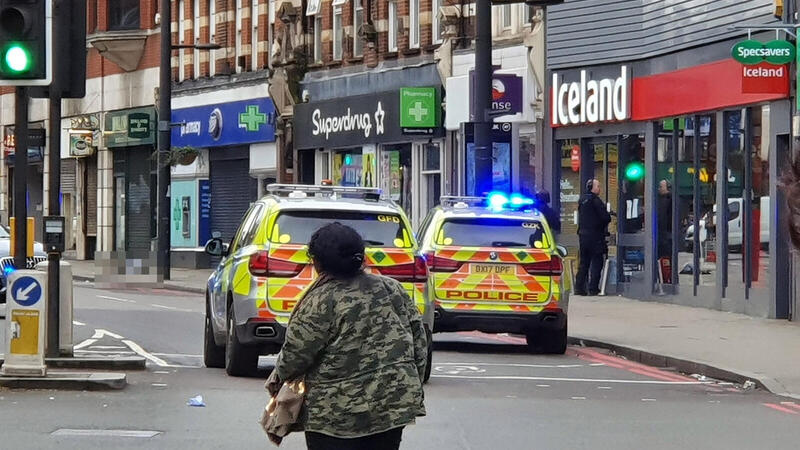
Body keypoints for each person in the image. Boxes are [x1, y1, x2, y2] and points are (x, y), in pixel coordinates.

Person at [273, 222, 427, 450]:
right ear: (362, 257)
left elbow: (293, 359)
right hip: (391, 408)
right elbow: (419, 345)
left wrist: (278, 383)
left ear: (316, 262)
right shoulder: (392, 289)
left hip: (333, 416)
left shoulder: (319, 300)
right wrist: (409, 386)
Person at [575, 179, 611, 296]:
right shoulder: (596, 201)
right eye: (598, 186)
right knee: (597, 262)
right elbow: (605, 218)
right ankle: (593, 288)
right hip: (595, 236)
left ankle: (579, 287)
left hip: (583, 236)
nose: (599, 189)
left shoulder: (582, 200)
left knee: (584, 263)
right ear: (592, 188)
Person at [657, 179, 673, 259]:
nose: (658, 189)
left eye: (660, 187)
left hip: (665, 234)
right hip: (663, 234)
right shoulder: (659, 199)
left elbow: (662, 217)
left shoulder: (668, 200)